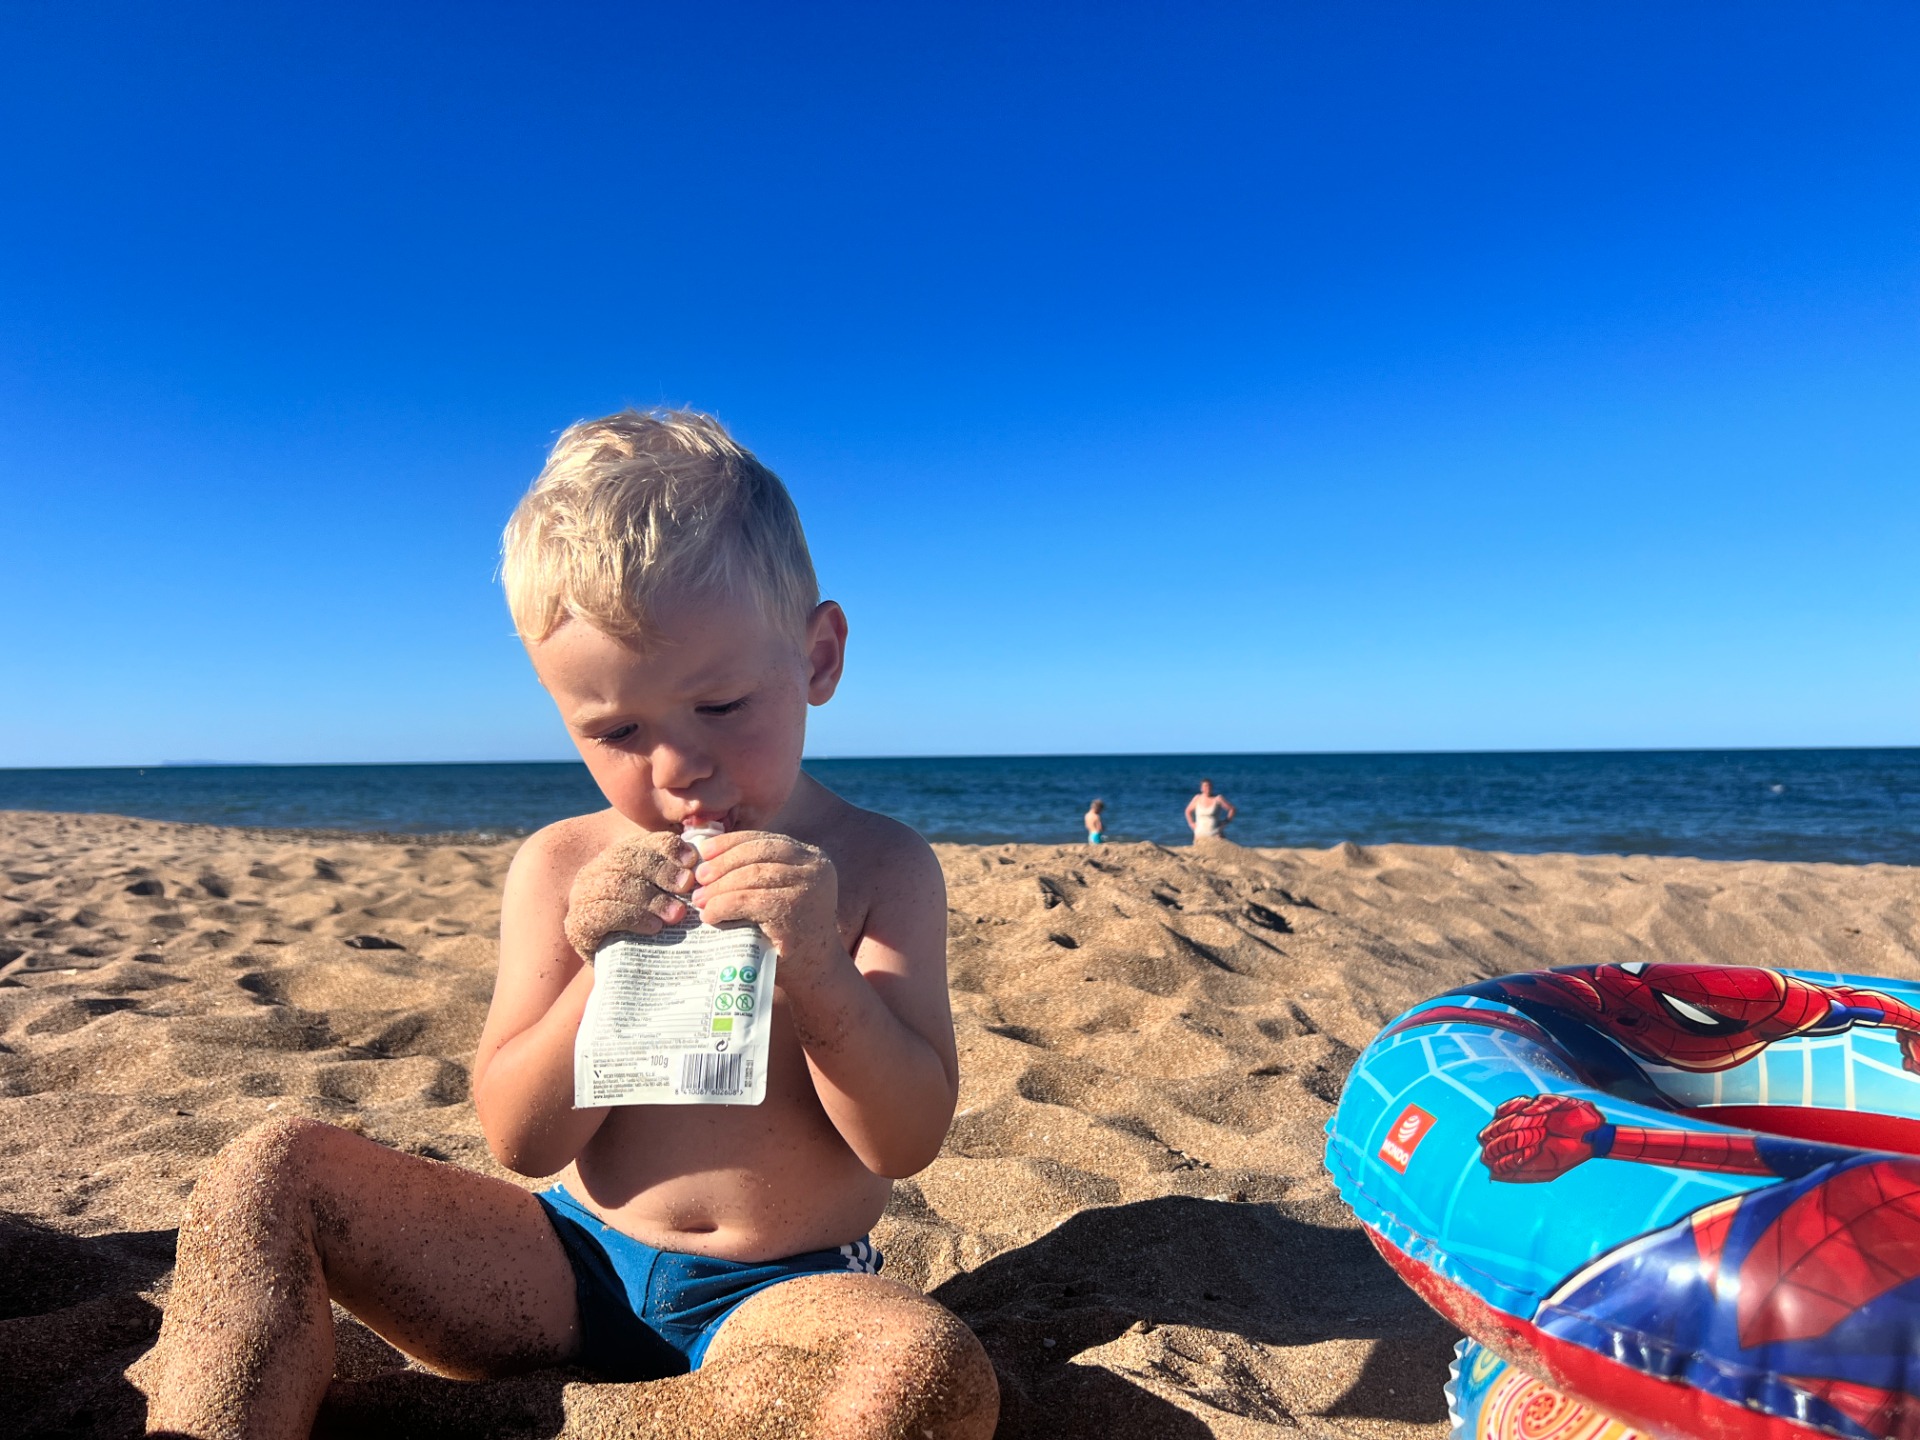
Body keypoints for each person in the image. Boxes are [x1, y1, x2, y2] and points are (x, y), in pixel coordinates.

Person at [139, 411, 999, 1439]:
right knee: (271, 1172)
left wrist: (817, 968)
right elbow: (523, 1138)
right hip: (571, 1260)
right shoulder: (559, 866)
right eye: (618, 730)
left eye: (723, 706)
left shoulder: (879, 866)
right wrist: (604, 967)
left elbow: (904, 1140)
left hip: (787, 1292)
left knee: (921, 1374)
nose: (678, 767)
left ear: (817, 658)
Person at [1185, 778, 1236, 842]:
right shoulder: (1197, 798)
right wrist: (1191, 824)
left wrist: (1225, 822)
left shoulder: (1218, 798)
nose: (1208, 788)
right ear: (1201, 788)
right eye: (1205, 786)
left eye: (1210, 786)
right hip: (1199, 834)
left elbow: (1232, 809)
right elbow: (1188, 811)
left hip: (1215, 834)